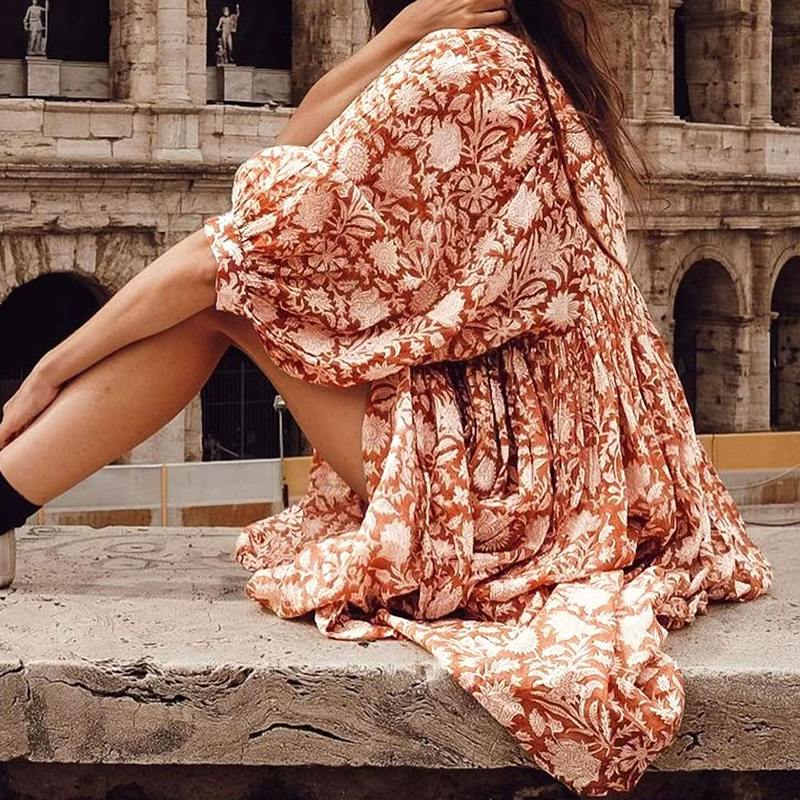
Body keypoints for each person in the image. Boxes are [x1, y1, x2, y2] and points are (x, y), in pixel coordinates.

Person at [0, 0, 773, 795]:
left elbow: (232, 247)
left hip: (508, 492)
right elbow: (290, 160)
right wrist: (401, 36)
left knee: (224, 301)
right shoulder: (534, 66)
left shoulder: (459, 71)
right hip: (579, 471)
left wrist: (50, 368)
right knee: (240, 284)